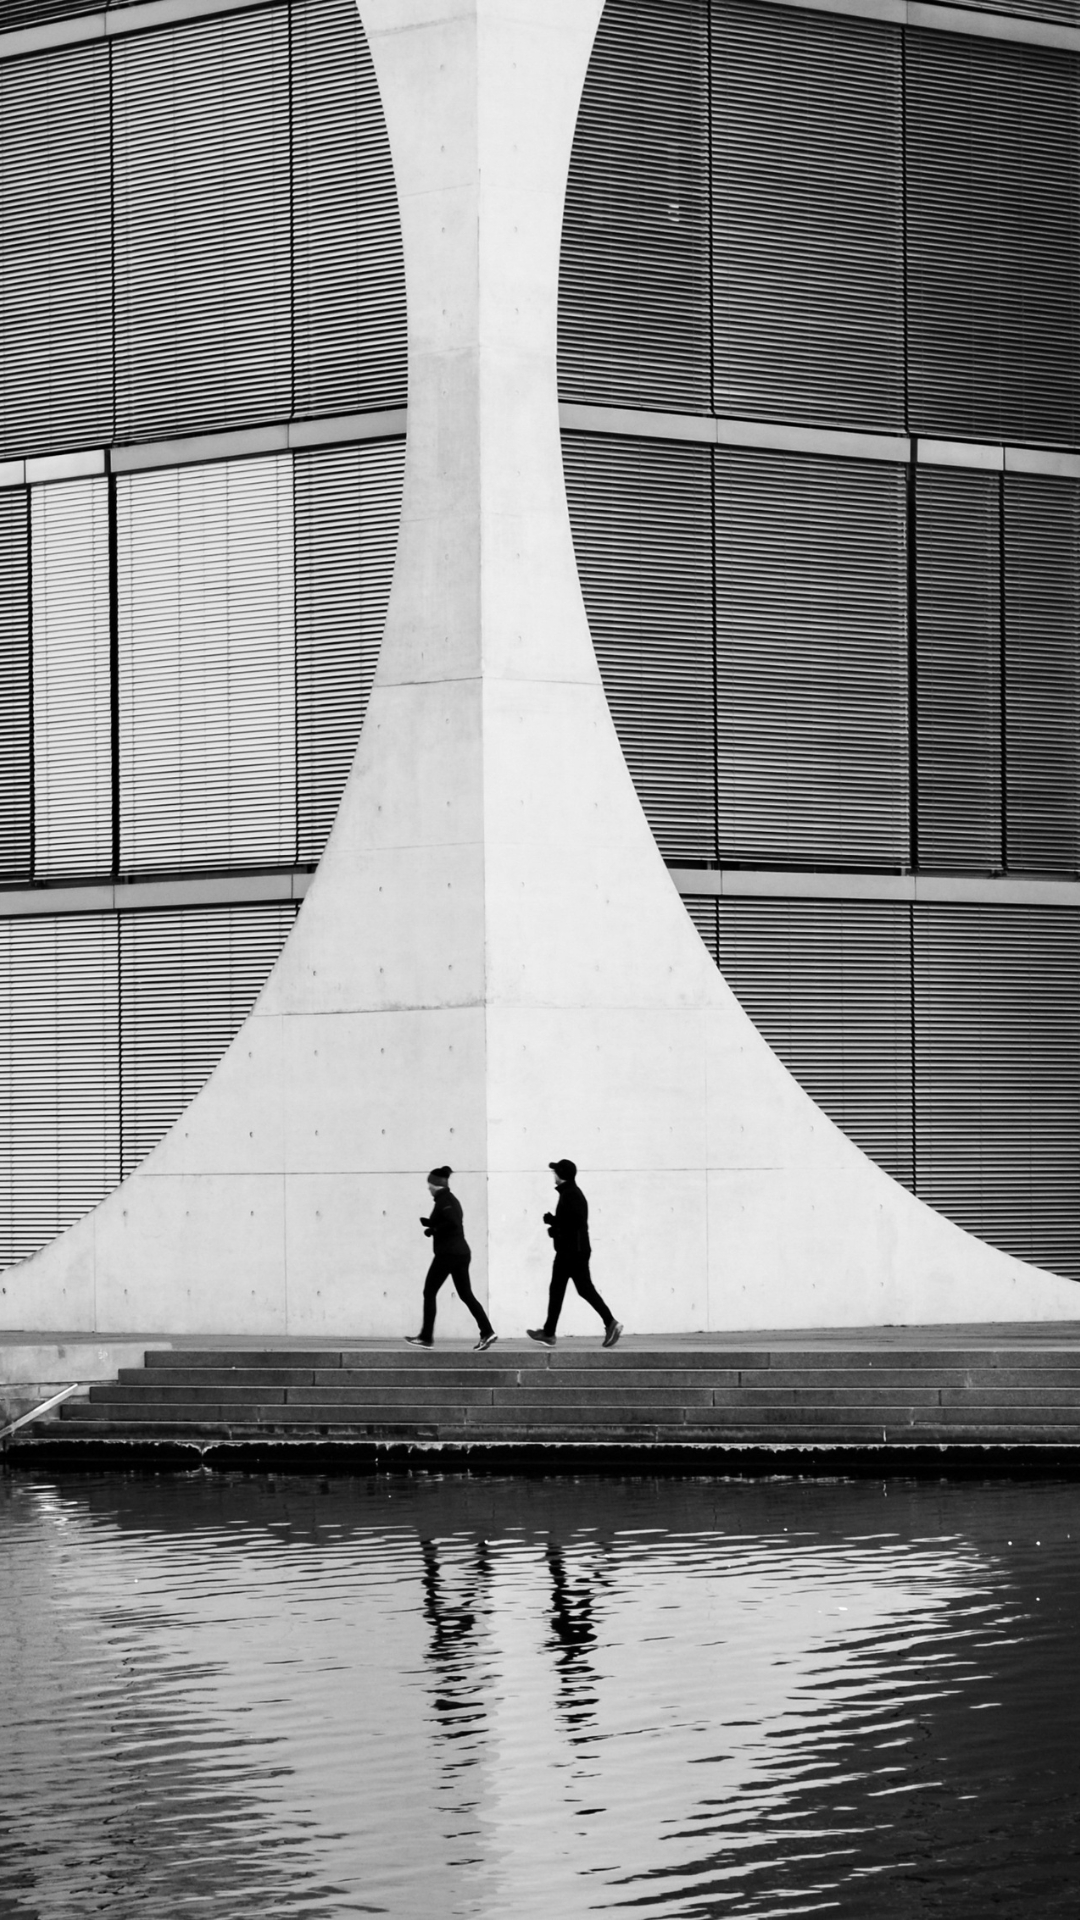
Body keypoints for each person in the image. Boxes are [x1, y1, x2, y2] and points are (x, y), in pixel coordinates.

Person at [527, 1159, 622, 1349]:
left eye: (555, 1172)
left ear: (561, 1175)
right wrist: (554, 1222)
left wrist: (555, 1226)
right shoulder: (570, 1193)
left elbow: (576, 1223)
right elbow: (571, 1221)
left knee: (560, 1289)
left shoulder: (571, 1194)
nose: (553, 1175)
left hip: (571, 1252)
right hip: (574, 1250)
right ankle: (609, 1323)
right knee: (579, 1289)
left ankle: (550, 1333)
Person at [406, 1166, 497, 1351]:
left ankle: (426, 1337)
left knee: (429, 1292)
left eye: (429, 1185)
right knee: (466, 1294)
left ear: (435, 1185)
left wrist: (434, 1229)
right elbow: (449, 1220)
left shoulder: (445, 1200)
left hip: (449, 1254)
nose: (428, 1188)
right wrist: (431, 1224)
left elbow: (452, 1223)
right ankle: (487, 1332)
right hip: (460, 1253)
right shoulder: (448, 1199)